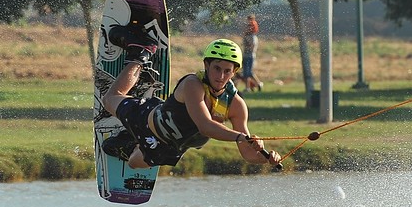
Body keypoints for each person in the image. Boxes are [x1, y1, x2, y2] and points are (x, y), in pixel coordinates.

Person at [100, 38, 281, 169]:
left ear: (234, 72)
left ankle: (129, 141)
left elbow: (248, 153)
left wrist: (267, 158)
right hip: (146, 120)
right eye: (217, 68)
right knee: (109, 99)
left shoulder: (236, 105)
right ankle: (140, 55)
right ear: (206, 65)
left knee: (133, 163)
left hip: (171, 148)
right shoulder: (193, 84)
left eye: (227, 71)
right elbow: (205, 126)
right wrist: (241, 137)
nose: (221, 76)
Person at [239, 14, 263, 92]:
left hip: (249, 55)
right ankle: (250, 87)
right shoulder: (247, 35)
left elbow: (252, 46)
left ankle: (257, 84)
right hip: (245, 55)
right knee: (246, 72)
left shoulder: (252, 36)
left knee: (248, 72)